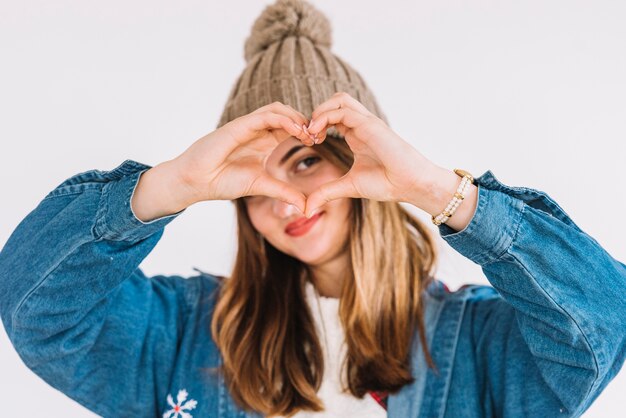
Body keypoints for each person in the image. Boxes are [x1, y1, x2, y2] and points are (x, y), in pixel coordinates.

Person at [1, 0, 624, 417]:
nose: (283, 199)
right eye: (253, 181)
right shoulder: (182, 333)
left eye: (305, 160)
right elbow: (35, 311)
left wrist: (439, 191)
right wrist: (170, 186)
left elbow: (601, 328)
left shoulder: (477, 345)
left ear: (365, 161)